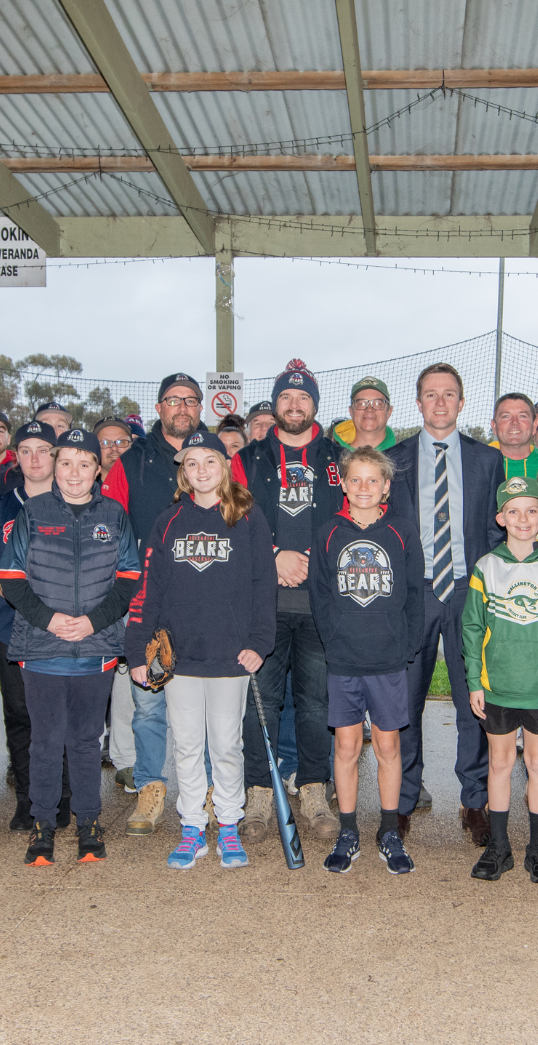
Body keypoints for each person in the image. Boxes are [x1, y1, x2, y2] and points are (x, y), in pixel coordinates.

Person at [125, 429, 276, 871]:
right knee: (188, 745)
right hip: (182, 659)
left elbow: (263, 587)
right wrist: (136, 650)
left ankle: (228, 823)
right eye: (191, 463)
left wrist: (259, 643)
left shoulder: (248, 518)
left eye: (209, 461)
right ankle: (193, 826)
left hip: (230, 657)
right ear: (183, 473)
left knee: (227, 746)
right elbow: (149, 589)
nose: (201, 470)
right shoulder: (168, 521)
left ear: (225, 466)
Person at [0, 428, 139, 866]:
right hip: (42, 649)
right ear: (54, 468)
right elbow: (10, 578)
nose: (73, 473)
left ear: (99, 469)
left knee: (84, 742)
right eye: (65, 463)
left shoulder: (114, 515)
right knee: (45, 742)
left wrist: (93, 622)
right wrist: (51, 620)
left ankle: (89, 824)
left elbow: (129, 578)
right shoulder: (33, 513)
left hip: (94, 650)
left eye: (84, 464)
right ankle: (42, 826)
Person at [386, 363, 504, 845]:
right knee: (406, 700)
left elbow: (495, 528)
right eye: (430, 395)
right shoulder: (394, 459)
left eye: (448, 394)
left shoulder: (486, 460)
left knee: (472, 698)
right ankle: (405, 799)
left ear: (461, 402)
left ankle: (474, 800)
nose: (439, 403)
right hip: (414, 594)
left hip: (465, 592)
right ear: (417, 403)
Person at [230, 359, 343, 841]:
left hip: (320, 605)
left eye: (303, 398)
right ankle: (258, 793)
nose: (294, 405)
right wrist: (275, 554)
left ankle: (314, 788)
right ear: (275, 405)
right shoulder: (249, 458)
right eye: (285, 398)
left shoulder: (339, 457)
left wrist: (313, 561)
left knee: (316, 705)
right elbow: (229, 518)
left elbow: (355, 518)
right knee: (262, 703)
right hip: (264, 605)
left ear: (314, 405)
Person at [311, 447, 423, 875]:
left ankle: (390, 831)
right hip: (344, 659)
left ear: (386, 487)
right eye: (355, 480)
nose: (363, 488)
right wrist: (333, 641)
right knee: (345, 746)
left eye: (372, 480)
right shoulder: (327, 532)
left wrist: (407, 645)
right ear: (343, 483)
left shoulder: (401, 532)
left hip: (388, 659)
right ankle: (348, 830)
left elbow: (414, 595)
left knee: (389, 745)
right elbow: (320, 597)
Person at [102, 373, 205, 836]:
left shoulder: (212, 460)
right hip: (147, 600)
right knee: (148, 704)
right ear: (158, 408)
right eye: (172, 400)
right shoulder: (132, 461)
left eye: (189, 400)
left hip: (203, 599)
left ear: (201, 408)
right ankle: (150, 786)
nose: (181, 407)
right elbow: (110, 527)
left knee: (201, 699)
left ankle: (202, 789)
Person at [463, 476, 538, 884]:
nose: (523, 518)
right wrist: (475, 681)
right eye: (513, 511)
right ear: (500, 518)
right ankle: (499, 847)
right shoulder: (486, 567)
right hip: (499, 686)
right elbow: (472, 628)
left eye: (531, 510)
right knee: (499, 762)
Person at [0, 420, 63, 832]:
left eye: (42, 449)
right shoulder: (2, 505)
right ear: (16, 456)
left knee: (61, 717)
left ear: (56, 454)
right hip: (16, 626)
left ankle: (63, 797)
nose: (33, 458)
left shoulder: (78, 500)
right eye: (24, 450)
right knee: (22, 717)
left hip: (66, 628)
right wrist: (27, 601)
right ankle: (28, 799)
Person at [330, 377, 396, 452]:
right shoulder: (330, 457)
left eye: (378, 403)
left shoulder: (405, 459)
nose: (369, 409)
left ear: (389, 411)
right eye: (361, 403)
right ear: (351, 411)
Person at [489, 393, 538, 480]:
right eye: (505, 416)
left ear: (534, 425)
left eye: (522, 416)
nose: (514, 422)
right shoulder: (479, 464)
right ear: (494, 426)